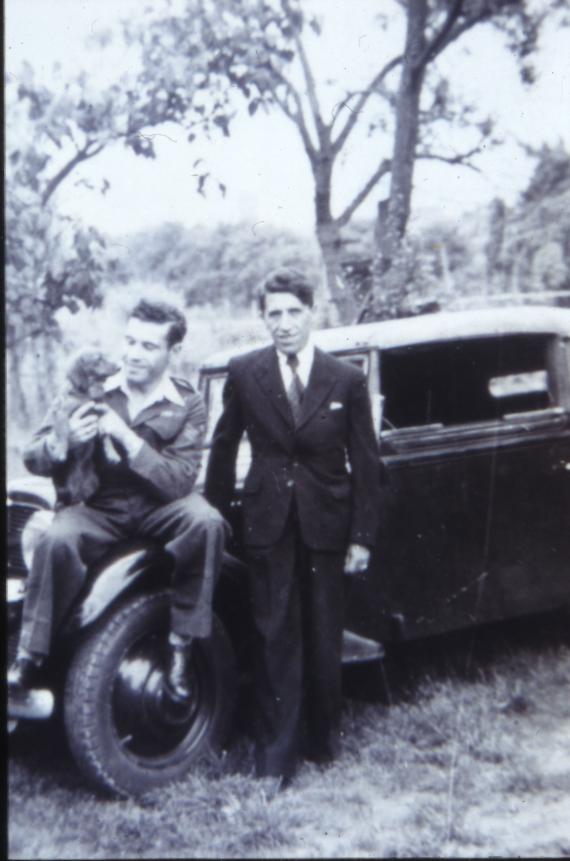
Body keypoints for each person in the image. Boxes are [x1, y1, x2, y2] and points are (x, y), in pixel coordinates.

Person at [205, 268, 380, 784]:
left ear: (312, 312)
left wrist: (362, 537)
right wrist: (214, 518)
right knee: (272, 633)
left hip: (328, 524)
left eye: (292, 312)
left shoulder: (345, 379)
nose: (283, 324)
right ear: (262, 318)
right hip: (267, 523)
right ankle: (274, 758)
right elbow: (222, 448)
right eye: (272, 314)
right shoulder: (244, 372)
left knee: (324, 635)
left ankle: (322, 740)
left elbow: (367, 464)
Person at [9, 298, 229, 707]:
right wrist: (64, 443)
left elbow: (179, 480)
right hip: (99, 507)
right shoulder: (89, 389)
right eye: (129, 341)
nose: (132, 354)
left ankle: (181, 647)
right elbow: (32, 455)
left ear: (172, 352)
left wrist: (126, 438)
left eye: (148, 346)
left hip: (161, 506)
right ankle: (28, 658)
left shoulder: (188, 403)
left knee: (207, 523)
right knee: (56, 539)